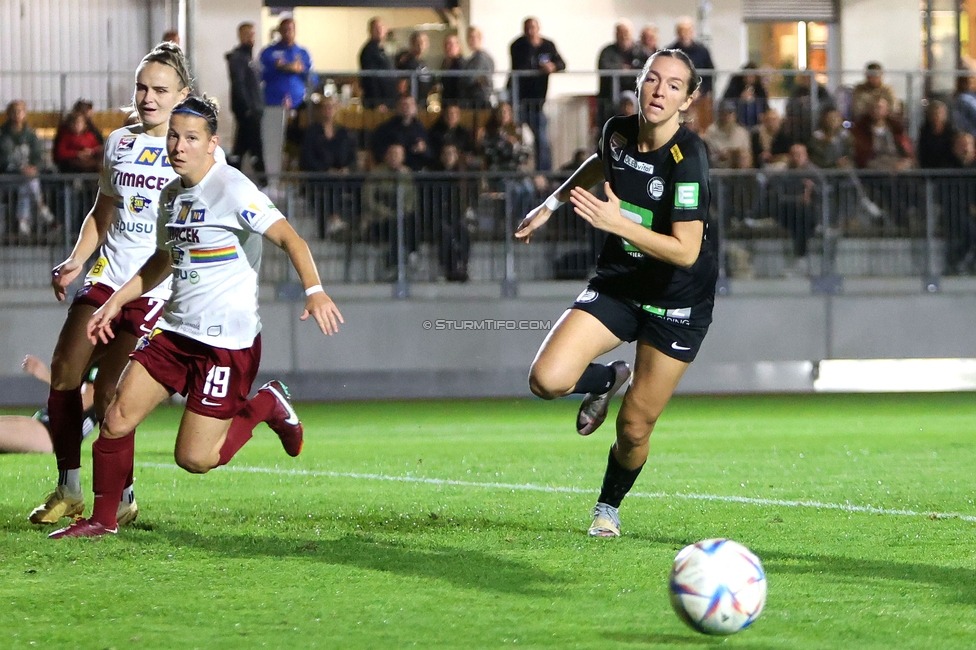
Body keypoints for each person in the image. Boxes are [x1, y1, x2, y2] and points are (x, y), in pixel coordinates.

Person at [49, 95, 344, 539]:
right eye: (173, 136)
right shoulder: (171, 194)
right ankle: (102, 521)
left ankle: (267, 404)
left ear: (212, 144)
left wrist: (315, 292)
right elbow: (161, 261)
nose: (178, 146)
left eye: (191, 138)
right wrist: (115, 300)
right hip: (173, 332)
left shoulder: (233, 189)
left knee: (195, 459)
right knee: (115, 418)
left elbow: (291, 239)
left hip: (226, 344)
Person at [514, 49, 715, 538]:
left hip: (676, 305)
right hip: (619, 286)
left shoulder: (688, 160)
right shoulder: (616, 131)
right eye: (653, 80)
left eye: (673, 85)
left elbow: (686, 251)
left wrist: (618, 222)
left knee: (633, 429)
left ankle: (608, 506)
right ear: (640, 82)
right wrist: (551, 203)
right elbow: (600, 163)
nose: (659, 91)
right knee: (546, 379)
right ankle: (607, 378)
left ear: (689, 99)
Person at [29, 42, 201, 528]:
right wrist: (75, 260)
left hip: (156, 286)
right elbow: (103, 212)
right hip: (108, 276)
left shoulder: (194, 147)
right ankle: (68, 487)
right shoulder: (119, 142)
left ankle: (122, 496)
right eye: (142, 87)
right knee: (65, 369)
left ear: (182, 94)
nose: (148, 97)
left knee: (109, 396)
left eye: (160, 89)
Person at [0, 356, 97, 455]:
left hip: (51, 435)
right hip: (45, 427)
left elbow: (82, 402)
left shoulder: (100, 359)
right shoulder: (88, 357)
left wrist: (47, 376)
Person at [260, 16, 313, 185]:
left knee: (297, 144)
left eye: (291, 29)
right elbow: (266, 71)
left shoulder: (302, 53)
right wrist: (290, 67)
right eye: (285, 29)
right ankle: (274, 182)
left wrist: (286, 67)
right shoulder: (269, 52)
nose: (288, 32)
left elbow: (310, 74)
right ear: (279, 31)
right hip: (274, 105)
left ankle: (296, 181)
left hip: (298, 106)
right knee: (274, 145)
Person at [509, 17, 565, 171]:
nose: (530, 31)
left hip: (539, 103)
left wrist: (552, 66)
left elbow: (562, 63)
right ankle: (518, 173)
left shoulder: (548, 45)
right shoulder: (517, 45)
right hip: (519, 101)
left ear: (538, 28)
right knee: (519, 140)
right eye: (527, 27)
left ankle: (545, 174)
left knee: (542, 141)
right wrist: (539, 67)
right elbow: (520, 65)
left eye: (533, 27)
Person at [299, 94, 357, 238]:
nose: (328, 111)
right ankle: (334, 219)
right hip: (319, 175)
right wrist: (325, 170)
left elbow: (352, 156)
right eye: (325, 108)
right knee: (330, 183)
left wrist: (347, 168)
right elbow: (307, 158)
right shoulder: (312, 132)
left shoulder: (343, 132)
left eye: (331, 107)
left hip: (340, 175)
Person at [0, 99, 55, 239]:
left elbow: (38, 155)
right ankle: (41, 209)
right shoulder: (3, 135)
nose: (17, 115)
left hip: (26, 176)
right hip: (7, 176)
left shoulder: (30, 134)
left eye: (20, 111)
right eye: (14, 112)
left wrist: (34, 167)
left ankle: (23, 222)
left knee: (27, 182)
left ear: (24, 114)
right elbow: (5, 158)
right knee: (29, 181)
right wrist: (20, 170)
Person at [361, 143, 417, 272]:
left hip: (402, 217)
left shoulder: (407, 174)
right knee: (396, 223)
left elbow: (412, 199)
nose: (394, 157)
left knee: (410, 219)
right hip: (379, 220)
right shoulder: (376, 173)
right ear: (386, 156)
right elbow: (368, 199)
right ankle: (394, 264)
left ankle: (411, 255)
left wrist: (402, 211)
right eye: (391, 154)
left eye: (397, 154)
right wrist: (388, 213)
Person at [226, 21, 265, 175]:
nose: (252, 38)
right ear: (241, 36)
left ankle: (232, 177)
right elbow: (240, 84)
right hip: (248, 111)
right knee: (255, 148)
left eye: (253, 34)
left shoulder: (249, 59)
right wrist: (248, 107)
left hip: (252, 110)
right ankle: (263, 181)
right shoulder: (239, 59)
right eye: (248, 34)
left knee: (241, 148)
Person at [666, 17, 715, 130]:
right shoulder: (669, 51)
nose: (684, 34)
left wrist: (701, 91)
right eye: (681, 30)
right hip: (675, 98)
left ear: (693, 32)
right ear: (677, 32)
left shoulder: (703, 51)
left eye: (687, 30)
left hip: (699, 98)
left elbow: (711, 74)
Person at [597, 20, 646, 131]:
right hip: (610, 98)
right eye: (620, 32)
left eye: (626, 32)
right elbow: (604, 66)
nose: (624, 36)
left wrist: (629, 71)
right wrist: (620, 69)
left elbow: (647, 67)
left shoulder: (640, 52)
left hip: (635, 95)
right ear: (615, 34)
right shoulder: (607, 52)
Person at [370, 94, 431, 171]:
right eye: (403, 105)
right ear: (397, 108)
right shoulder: (386, 129)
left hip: (415, 171)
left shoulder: (421, 129)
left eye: (410, 105)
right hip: (391, 170)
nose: (407, 108)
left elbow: (430, 154)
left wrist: (423, 149)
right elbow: (377, 150)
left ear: (415, 108)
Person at [359, 17, 398, 111]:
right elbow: (370, 78)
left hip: (390, 100)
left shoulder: (383, 50)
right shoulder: (369, 51)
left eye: (381, 28)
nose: (379, 31)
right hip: (378, 103)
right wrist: (377, 102)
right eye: (376, 28)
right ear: (370, 31)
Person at [702, 100, 752, 169]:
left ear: (735, 115)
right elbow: (708, 157)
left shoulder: (742, 132)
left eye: (730, 113)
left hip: (739, 171)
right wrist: (720, 156)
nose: (727, 117)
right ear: (719, 115)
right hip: (718, 171)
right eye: (724, 113)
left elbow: (748, 155)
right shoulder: (711, 132)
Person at [721, 62, 768, 128]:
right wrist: (740, 97)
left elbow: (765, 103)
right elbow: (727, 98)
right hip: (738, 114)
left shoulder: (759, 87)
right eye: (747, 76)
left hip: (756, 117)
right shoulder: (735, 83)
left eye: (752, 76)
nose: (749, 79)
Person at [917, 100, 958, 169]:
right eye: (934, 113)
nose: (937, 116)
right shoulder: (924, 132)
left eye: (939, 113)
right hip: (929, 169)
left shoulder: (952, 132)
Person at [462, 26, 495, 109]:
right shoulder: (474, 58)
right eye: (469, 37)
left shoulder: (481, 58)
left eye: (473, 37)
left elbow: (470, 78)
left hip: (479, 100)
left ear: (480, 38)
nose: (471, 40)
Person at [437, 33, 465, 106]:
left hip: (457, 102)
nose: (448, 47)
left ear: (458, 46)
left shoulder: (461, 64)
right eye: (446, 44)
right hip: (446, 101)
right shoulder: (444, 63)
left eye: (451, 44)